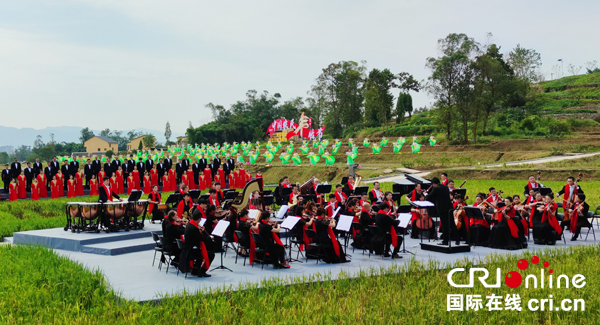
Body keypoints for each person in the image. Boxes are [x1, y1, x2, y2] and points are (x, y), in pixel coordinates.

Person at [179, 208, 215, 277]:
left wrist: (201, 230)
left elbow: (197, 236)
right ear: (199, 219)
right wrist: (210, 237)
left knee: (204, 252)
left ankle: (195, 270)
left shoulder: (190, 224)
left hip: (187, 248)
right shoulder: (194, 228)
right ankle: (202, 271)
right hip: (191, 251)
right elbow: (202, 238)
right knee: (210, 254)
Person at [425, 177, 457, 246]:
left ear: (433, 184)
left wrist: (426, 195)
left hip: (442, 209)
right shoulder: (445, 187)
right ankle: (457, 239)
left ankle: (445, 241)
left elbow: (429, 197)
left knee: (445, 225)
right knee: (452, 223)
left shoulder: (435, 188)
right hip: (449, 207)